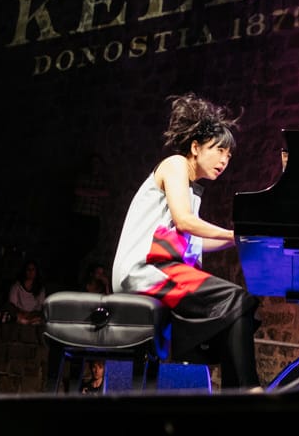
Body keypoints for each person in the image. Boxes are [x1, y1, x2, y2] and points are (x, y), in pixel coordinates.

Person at [111, 92, 263, 391]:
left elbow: (193, 242)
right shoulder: (175, 164)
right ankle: (248, 390)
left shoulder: (191, 188)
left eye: (229, 156)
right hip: (144, 270)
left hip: (163, 268)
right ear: (195, 147)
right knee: (237, 300)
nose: (224, 160)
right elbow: (184, 222)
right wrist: (233, 234)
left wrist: (238, 241)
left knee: (239, 307)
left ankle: (237, 392)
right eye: (219, 150)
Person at [3, 259, 46, 325]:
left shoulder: (40, 288)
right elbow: (12, 304)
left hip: (34, 315)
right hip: (19, 315)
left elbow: (40, 306)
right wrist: (21, 313)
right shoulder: (17, 286)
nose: (30, 272)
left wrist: (30, 314)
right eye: (28, 269)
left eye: (33, 269)